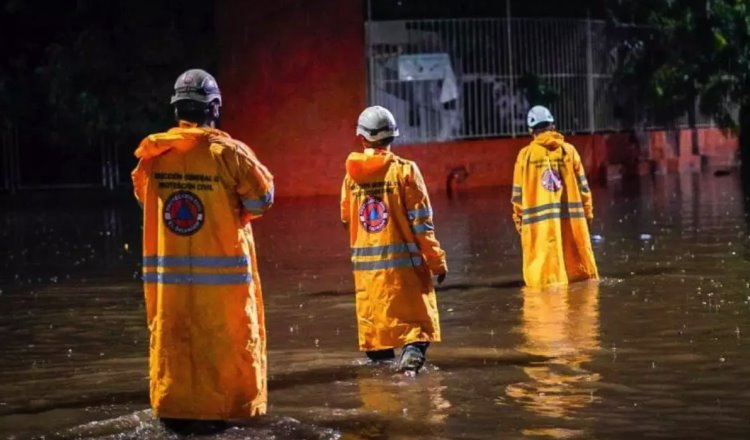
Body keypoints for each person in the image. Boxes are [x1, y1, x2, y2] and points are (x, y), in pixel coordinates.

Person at [131, 69, 274, 425]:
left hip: (171, 290)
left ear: (177, 108)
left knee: (174, 350)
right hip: (223, 290)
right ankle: (222, 412)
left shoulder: (153, 155)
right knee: (227, 352)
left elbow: (144, 199)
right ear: (214, 107)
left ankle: (175, 409)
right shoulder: (229, 154)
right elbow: (262, 200)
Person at [340, 105, 448, 373]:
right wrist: (437, 262)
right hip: (405, 275)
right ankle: (411, 356)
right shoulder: (405, 172)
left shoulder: (350, 178)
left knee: (378, 347)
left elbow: (347, 221)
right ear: (392, 137)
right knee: (417, 330)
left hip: (368, 279)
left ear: (362, 138)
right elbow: (423, 226)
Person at [511, 105, 598, 287]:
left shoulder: (525, 157)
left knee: (544, 286)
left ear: (530, 130)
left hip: (538, 232)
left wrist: (522, 226)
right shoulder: (569, 152)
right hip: (573, 228)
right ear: (553, 125)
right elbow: (584, 191)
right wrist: (587, 217)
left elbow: (517, 199)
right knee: (580, 284)